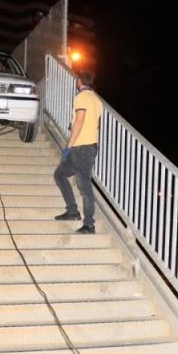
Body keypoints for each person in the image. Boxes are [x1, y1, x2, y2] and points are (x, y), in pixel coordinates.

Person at [53, 70, 103, 233]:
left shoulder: (81, 97)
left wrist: (68, 146)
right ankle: (72, 211)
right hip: (89, 145)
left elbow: (79, 122)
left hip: (81, 147)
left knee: (84, 185)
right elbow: (93, 123)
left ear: (79, 81)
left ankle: (89, 224)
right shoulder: (96, 99)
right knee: (60, 174)